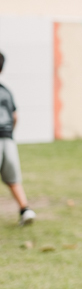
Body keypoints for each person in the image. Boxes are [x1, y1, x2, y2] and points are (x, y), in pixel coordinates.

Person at [0, 52, 36, 226]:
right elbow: (15, 116)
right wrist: (10, 134)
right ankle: (25, 209)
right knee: (13, 179)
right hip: (8, 139)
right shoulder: (6, 91)